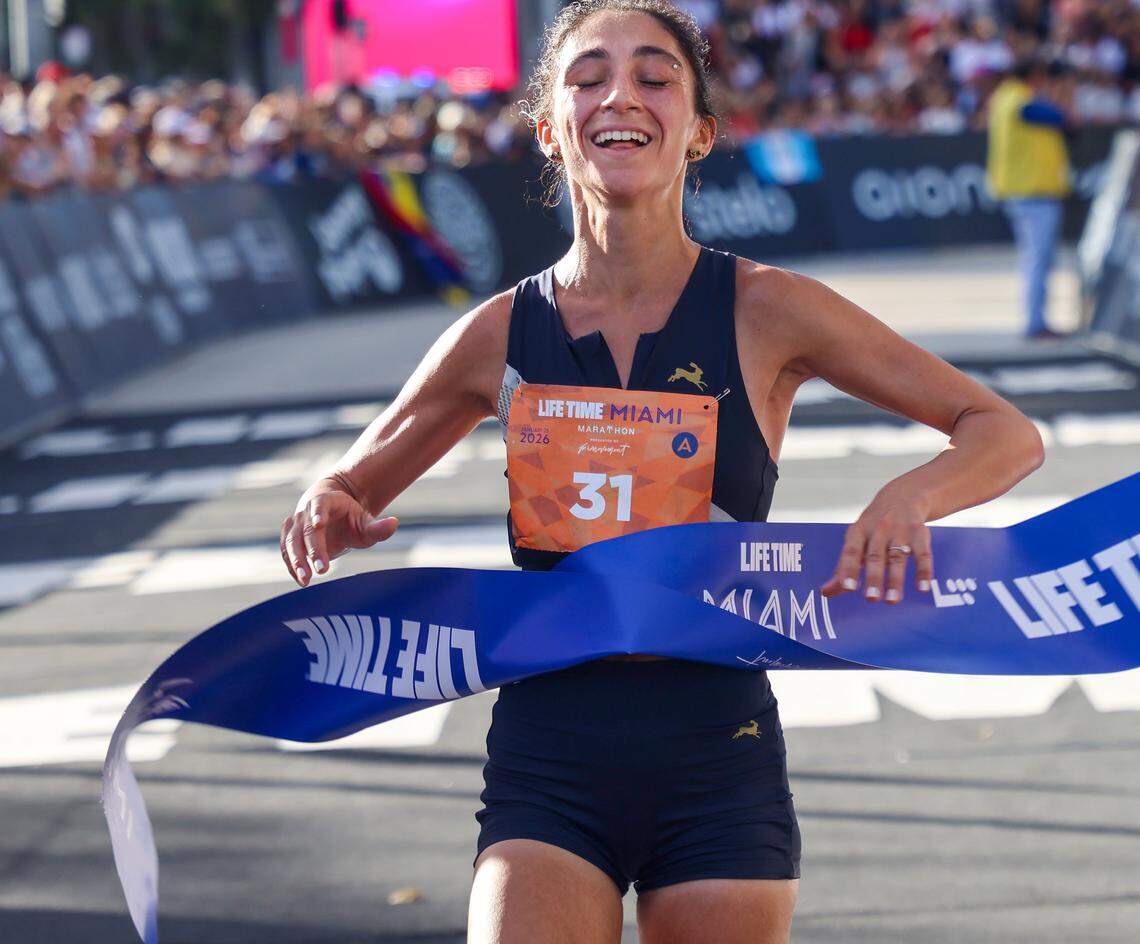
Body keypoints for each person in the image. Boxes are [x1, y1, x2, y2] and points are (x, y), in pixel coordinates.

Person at [280, 2, 1044, 941]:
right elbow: (349, 486)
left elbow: (1001, 429)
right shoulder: (495, 335)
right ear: (548, 132)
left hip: (716, 751)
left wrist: (908, 497)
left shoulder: (770, 309)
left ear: (700, 132)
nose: (620, 96)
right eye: (588, 76)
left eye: (654, 76)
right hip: (550, 753)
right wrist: (329, 506)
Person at [986, 58, 1072, 340]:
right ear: (1035, 74)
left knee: (1035, 258)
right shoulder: (1020, 100)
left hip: (1023, 190)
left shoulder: (1003, 97)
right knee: (1039, 259)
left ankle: (1037, 319)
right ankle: (1036, 323)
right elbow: (1059, 117)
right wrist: (1062, 92)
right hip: (1032, 191)